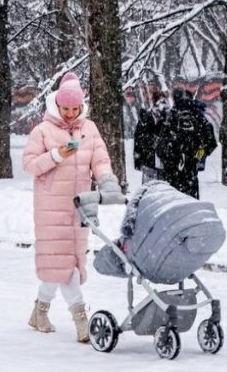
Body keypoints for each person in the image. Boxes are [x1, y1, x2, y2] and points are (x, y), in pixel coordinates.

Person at [22, 72, 123, 343]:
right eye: (65, 108)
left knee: (66, 262)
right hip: (51, 206)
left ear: (81, 105)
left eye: (74, 108)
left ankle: (38, 312)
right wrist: (57, 155)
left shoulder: (89, 129)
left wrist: (107, 181)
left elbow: (100, 159)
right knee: (65, 265)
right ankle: (81, 320)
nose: (69, 113)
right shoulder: (42, 130)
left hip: (80, 205)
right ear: (56, 104)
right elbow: (29, 164)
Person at [155, 88, 218, 199]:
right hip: (191, 170)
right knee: (191, 203)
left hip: (172, 172)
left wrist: (170, 159)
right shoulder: (197, 115)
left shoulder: (170, 116)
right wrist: (198, 156)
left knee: (175, 205)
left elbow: (160, 145)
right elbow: (211, 141)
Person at [133, 90, 170, 184]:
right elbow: (138, 139)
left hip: (162, 162)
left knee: (160, 191)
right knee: (150, 189)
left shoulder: (169, 119)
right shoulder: (146, 118)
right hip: (150, 161)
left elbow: (138, 140)